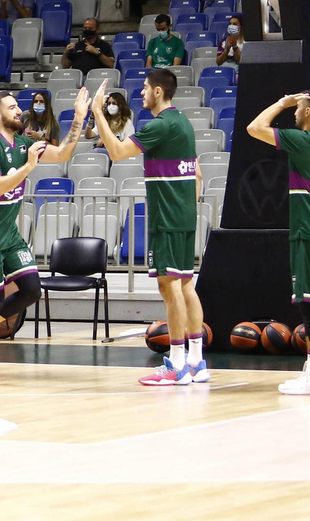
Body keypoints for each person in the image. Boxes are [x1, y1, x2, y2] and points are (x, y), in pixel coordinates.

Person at [0, 88, 89, 384]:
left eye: (18, 106)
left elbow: (64, 152)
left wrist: (79, 117)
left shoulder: (25, 142)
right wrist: (28, 166)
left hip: (9, 233)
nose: (19, 111)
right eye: (13, 107)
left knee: (31, 290)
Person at [92, 72, 205, 386]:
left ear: (158, 91)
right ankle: (196, 361)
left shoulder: (160, 125)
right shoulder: (183, 123)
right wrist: (186, 206)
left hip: (166, 219)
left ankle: (178, 365)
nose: (140, 93)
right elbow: (197, 173)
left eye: (144, 88)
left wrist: (98, 111)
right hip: (184, 216)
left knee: (170, 290)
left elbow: (115, 152)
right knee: (185, 286)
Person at [246, 90, 310, 395]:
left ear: (307, 113)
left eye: (298, 108)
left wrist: (280, 102)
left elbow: (254, 128)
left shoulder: (303, 141)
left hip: (308, 234)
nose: (294, 112)